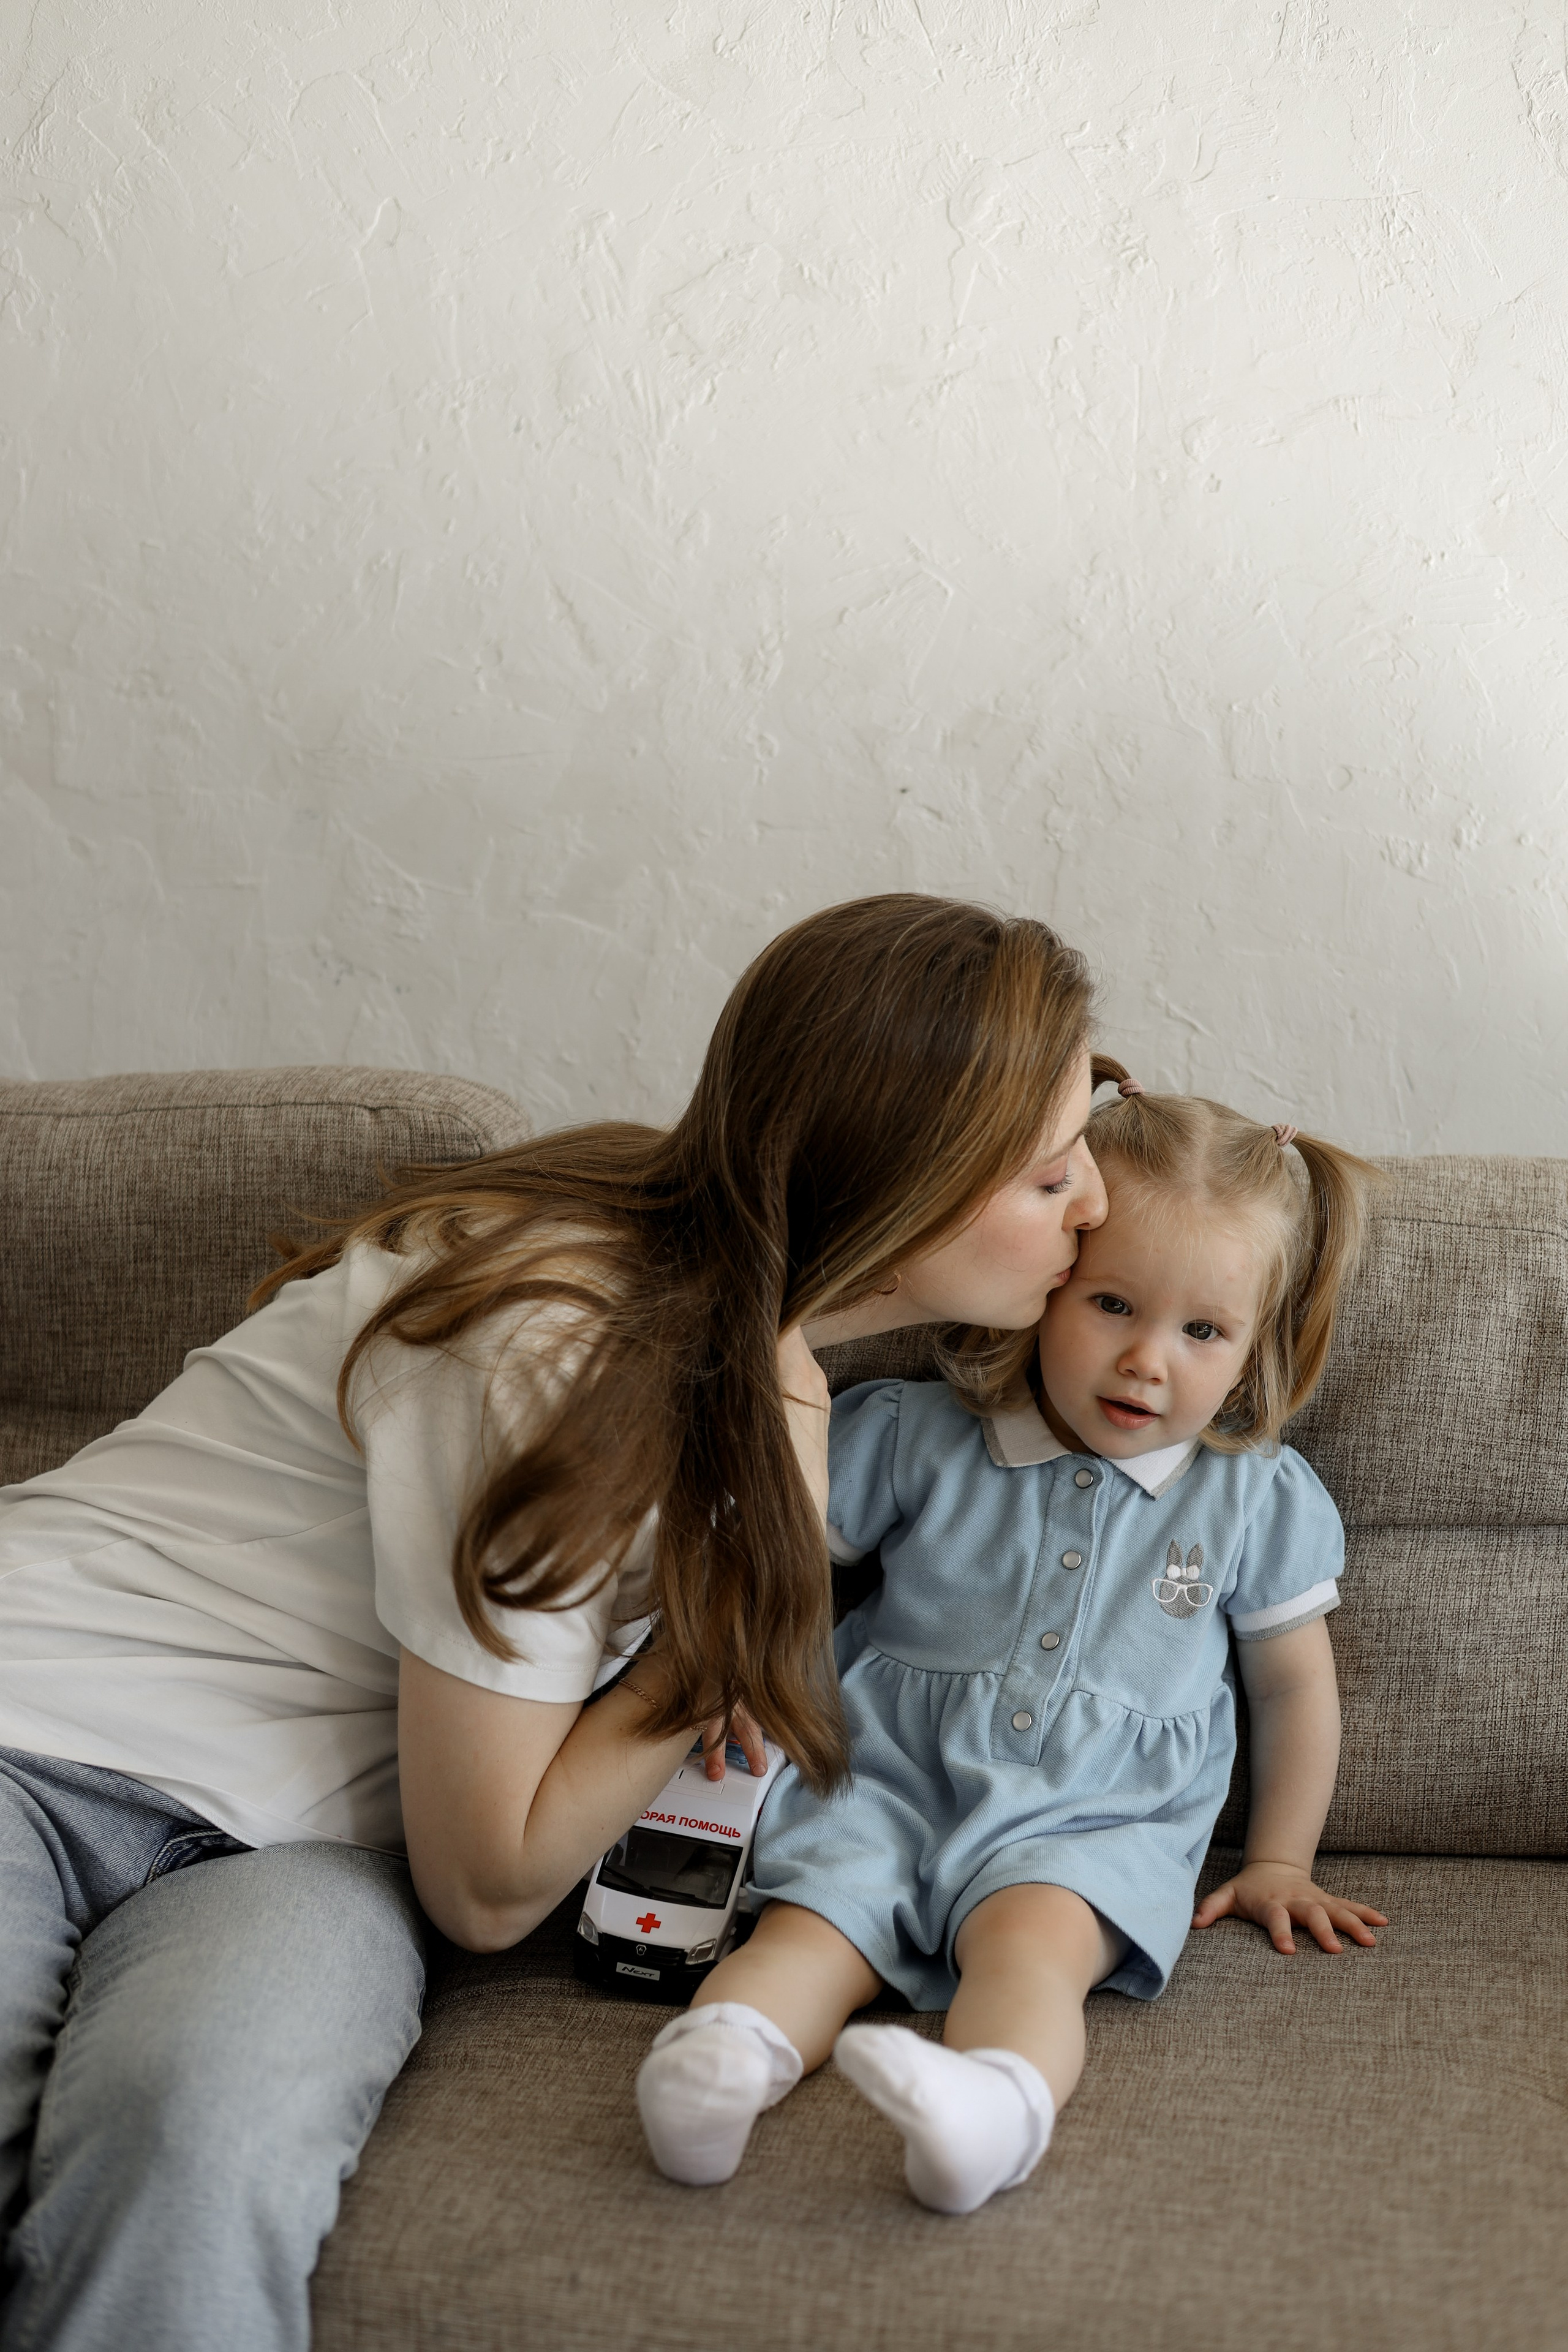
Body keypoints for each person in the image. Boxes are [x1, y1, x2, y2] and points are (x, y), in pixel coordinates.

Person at [0, 894, 1109, 2350]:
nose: (1093, 1203)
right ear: (898, 1187)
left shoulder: (773, 1371)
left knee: (198, 2143)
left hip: (300, 1850)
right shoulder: (562, 1334)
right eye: (1047, 1172)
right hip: (39, 1724)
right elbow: (494, 1882)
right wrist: (726, 1635)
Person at [635, 1085, 1390, 2215]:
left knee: (1031, 1953)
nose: (1146, 1362)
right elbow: (774, 1541)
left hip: (1091, 1815)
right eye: (1113, 1304)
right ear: (1047, 1287)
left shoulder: (1255, 1497)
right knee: (813, 1927)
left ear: (1255, 1348)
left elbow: (1292, 1688)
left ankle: (990, 2111)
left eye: (1201, 1331)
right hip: (884, 1774)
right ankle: (720, 2067)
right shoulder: (921, 1435)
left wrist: (1278, 1860)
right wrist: (732, 1660)